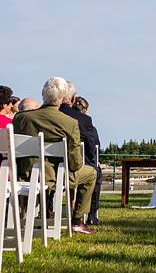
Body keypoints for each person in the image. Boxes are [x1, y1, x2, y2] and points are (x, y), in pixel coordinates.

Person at [13, 77, 97, 235]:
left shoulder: (21, 118)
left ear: (43, 93)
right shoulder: (70, 123)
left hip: (25, 174)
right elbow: (75, 163)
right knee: (91, 173)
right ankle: (77, 221)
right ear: (64, 97)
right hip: (56, 177)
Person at [58, 82, 102, 224]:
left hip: (43, 171)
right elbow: (92, 147)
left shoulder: (33, 116)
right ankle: (87, 215)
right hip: (73, 169)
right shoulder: (83, 120)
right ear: (72, 98)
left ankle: (48, 210)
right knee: (95, 172)